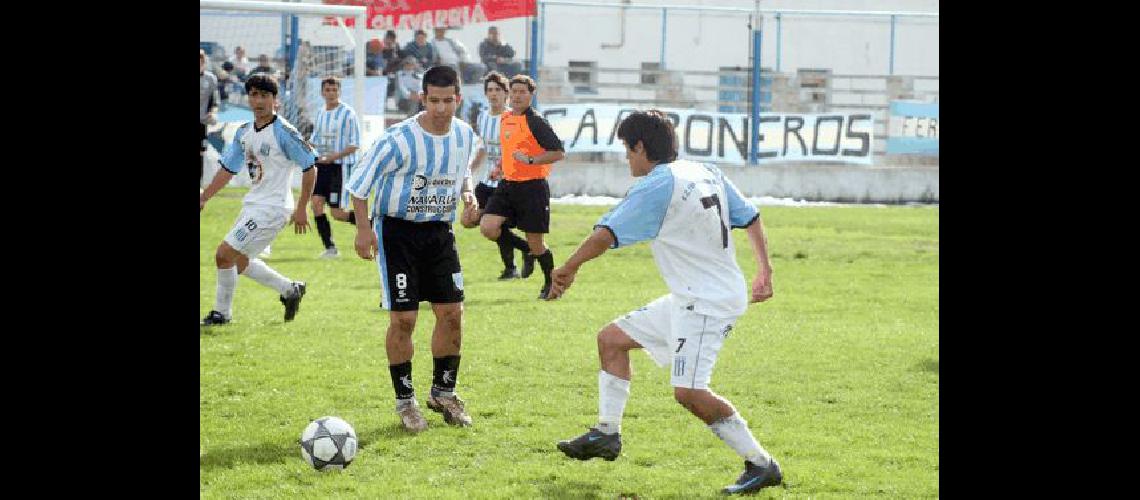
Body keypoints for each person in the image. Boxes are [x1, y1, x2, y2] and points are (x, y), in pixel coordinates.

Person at [546, 110, 782, 496]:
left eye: (627, 149)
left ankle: (761, 464)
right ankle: (607, 434)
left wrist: (569, 267)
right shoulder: (703, 170)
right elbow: (750, 216)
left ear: (640, 147)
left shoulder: (657, 185)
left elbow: (605, 233)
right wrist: (764, 271)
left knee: (689, 392)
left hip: (707, 303)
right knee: (611, 340)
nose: (626, 159)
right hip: (695, 294)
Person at [346, 65, 479, 433]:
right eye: (433, 100)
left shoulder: (465, 135)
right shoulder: (397, 139)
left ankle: (444, 393)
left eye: (447, 100)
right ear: (422, 98)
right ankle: (406, 403)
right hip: (398, 233)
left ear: (458, 99)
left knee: (452, 312)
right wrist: (363, 230)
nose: (440, 108)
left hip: (440, 232)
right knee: (404, 320)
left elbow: (463, 171)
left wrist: (467, 193)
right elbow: (358, 186)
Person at [199, 74, 317, 326]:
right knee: (239, 261)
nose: (259, 100)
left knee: (224, 255)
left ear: (276, 100)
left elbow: (310, 166)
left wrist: (302, 208)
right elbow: (228, 169)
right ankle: (290, 289)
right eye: (254, 95)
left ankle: (221, 314)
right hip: (253, 205)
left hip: (273, 209)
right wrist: (205, 196)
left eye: (265, 95)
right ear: (248, 98)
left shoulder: (284, 132)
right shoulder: (244, 132)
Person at [478, 74, 565, 299]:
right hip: (508, 185)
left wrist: (531, 160)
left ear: (530, 95)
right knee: (488, 226)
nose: (517, 96)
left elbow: (558, 152)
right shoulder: (506, 118)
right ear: (509, 94)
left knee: (536, 242)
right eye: (514, 92)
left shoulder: (535, 121)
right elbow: (510, 151)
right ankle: (525, 251)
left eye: (522, 92)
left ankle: (550, 283)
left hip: (532, 188)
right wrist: (500, 167)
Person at [460, 71, 529, 279]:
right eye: (489, 90)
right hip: (487, 180)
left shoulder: (512, 118)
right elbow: (482, 148)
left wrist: (502, 166)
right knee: (467, 219)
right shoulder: (483, 117)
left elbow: (517, 151)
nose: (493, 94)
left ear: (506, 93)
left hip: (507, 181)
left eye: (497, 90)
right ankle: (527, 249)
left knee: (490, 226)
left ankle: (511, 267)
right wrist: (469, 170)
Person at [308, 76, 362, 259]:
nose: (331, 93)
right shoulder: (320, 112)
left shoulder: (348, 113)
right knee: (316, 204)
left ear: (339, 91)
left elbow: (355, 145)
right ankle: (330, 248)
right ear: (322, 92)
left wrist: (332, 157)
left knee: (338, 213)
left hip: (339, 167)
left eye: (334, 90)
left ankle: (370, 224)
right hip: (321, 166)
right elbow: (314, 140)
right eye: (327, 90)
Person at [201, 49, 220, 186]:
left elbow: (215, 101)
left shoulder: (210, 78)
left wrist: (212, 113)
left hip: (202, 122)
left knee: (201, 153)